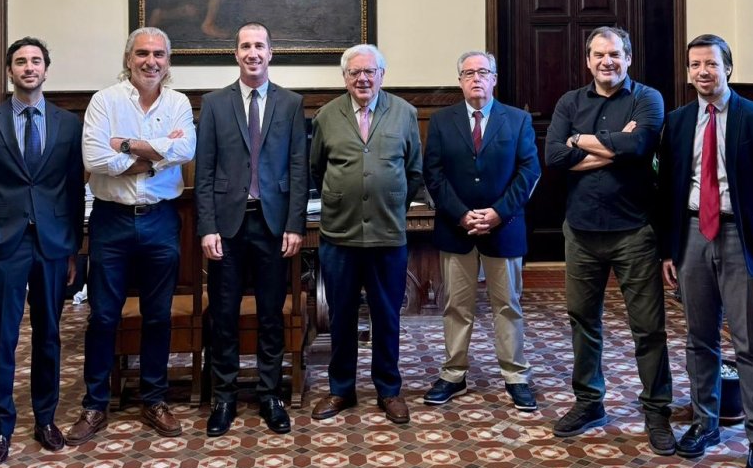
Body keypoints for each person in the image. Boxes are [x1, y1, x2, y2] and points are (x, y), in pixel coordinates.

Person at [657, 34, 753, 468]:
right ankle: (705, 423)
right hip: (693, 236)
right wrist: (669, 249)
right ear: (688, 73)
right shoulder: (678, 122)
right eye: (696, 65)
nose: (704, 72)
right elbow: (669, 190)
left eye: (712, 64)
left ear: (728, 68)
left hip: (743, 239)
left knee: (750, 343)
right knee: (698, 339)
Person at [0, 37, 84, 466]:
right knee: (2, 338)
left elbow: (74, 190)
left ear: (46, 69)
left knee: (48, 336)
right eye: (21, 61)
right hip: (2, 245)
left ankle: (46, 419)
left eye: (36, 61)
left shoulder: (68, 124)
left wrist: (74, 247)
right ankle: (0, 427)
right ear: (10, 71)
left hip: (52, 245)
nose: (29, 67)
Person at [545, 26, 674, 455]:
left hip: (634, 231)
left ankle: (656, 410)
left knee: (648, 328)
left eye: (615, 54)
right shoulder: (570, 102)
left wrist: (579, 141)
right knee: (583, 322)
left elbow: (639, 146)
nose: (607, 61)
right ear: (588, 60)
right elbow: (554, 157)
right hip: (581, 231)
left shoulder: (647, 99)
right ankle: (589, 402)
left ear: (628, 58)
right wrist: (612, 149)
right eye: (599, 55)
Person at [66, 27, 196, 446]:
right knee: (103, 316)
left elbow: (185, 151)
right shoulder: (104, 101)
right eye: (142, 53)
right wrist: (155, 155)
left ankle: (154, 399)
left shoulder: (178, 103)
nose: (150, 61)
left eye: (159, 54)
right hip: (112, 221)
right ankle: (95, 404)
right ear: (128, 59)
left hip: (161, 219)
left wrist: (126, 145)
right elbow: (94, 158)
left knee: (158, 315)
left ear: (168, 61)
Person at [196, 22, 308, 437]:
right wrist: (207, 227)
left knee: (271, 315)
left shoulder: (291, 103)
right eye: (245, 46)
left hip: (273, 225)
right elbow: (204, 171)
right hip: (227, 226)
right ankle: (224, 396)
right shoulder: (214, 104)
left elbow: (298, 168)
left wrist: (294, 224)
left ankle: (269, 394)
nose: (253, 53)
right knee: (223, 314)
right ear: (236, 53)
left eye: (260, 45)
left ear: (271, 52)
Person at [309, 44, 422, 424]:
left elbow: (414, 171)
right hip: (339, 236)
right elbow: (317, 169)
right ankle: (341, 389)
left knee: (387, 316)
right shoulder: (326, 116)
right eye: (354, 72)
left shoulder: (405, 113)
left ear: (381, 75)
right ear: (344, 77)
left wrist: (389, 203)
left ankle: (388, 390)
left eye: (369, 72)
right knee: (340, 316)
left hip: (387, 235)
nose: (362, 78)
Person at [422, 50, 541, 410]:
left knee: (508, 306)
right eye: (468, 73)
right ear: (459, 80)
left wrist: (498, 213)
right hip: (456, 229)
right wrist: (461, 215)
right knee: (456, 306)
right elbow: (433, 174)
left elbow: (529, 172)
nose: (476, 78)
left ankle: (516, 376)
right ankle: (453, 374)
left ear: (494, 79)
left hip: (504, 229)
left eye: (483, 72)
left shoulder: (517, 120)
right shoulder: (442, 121)